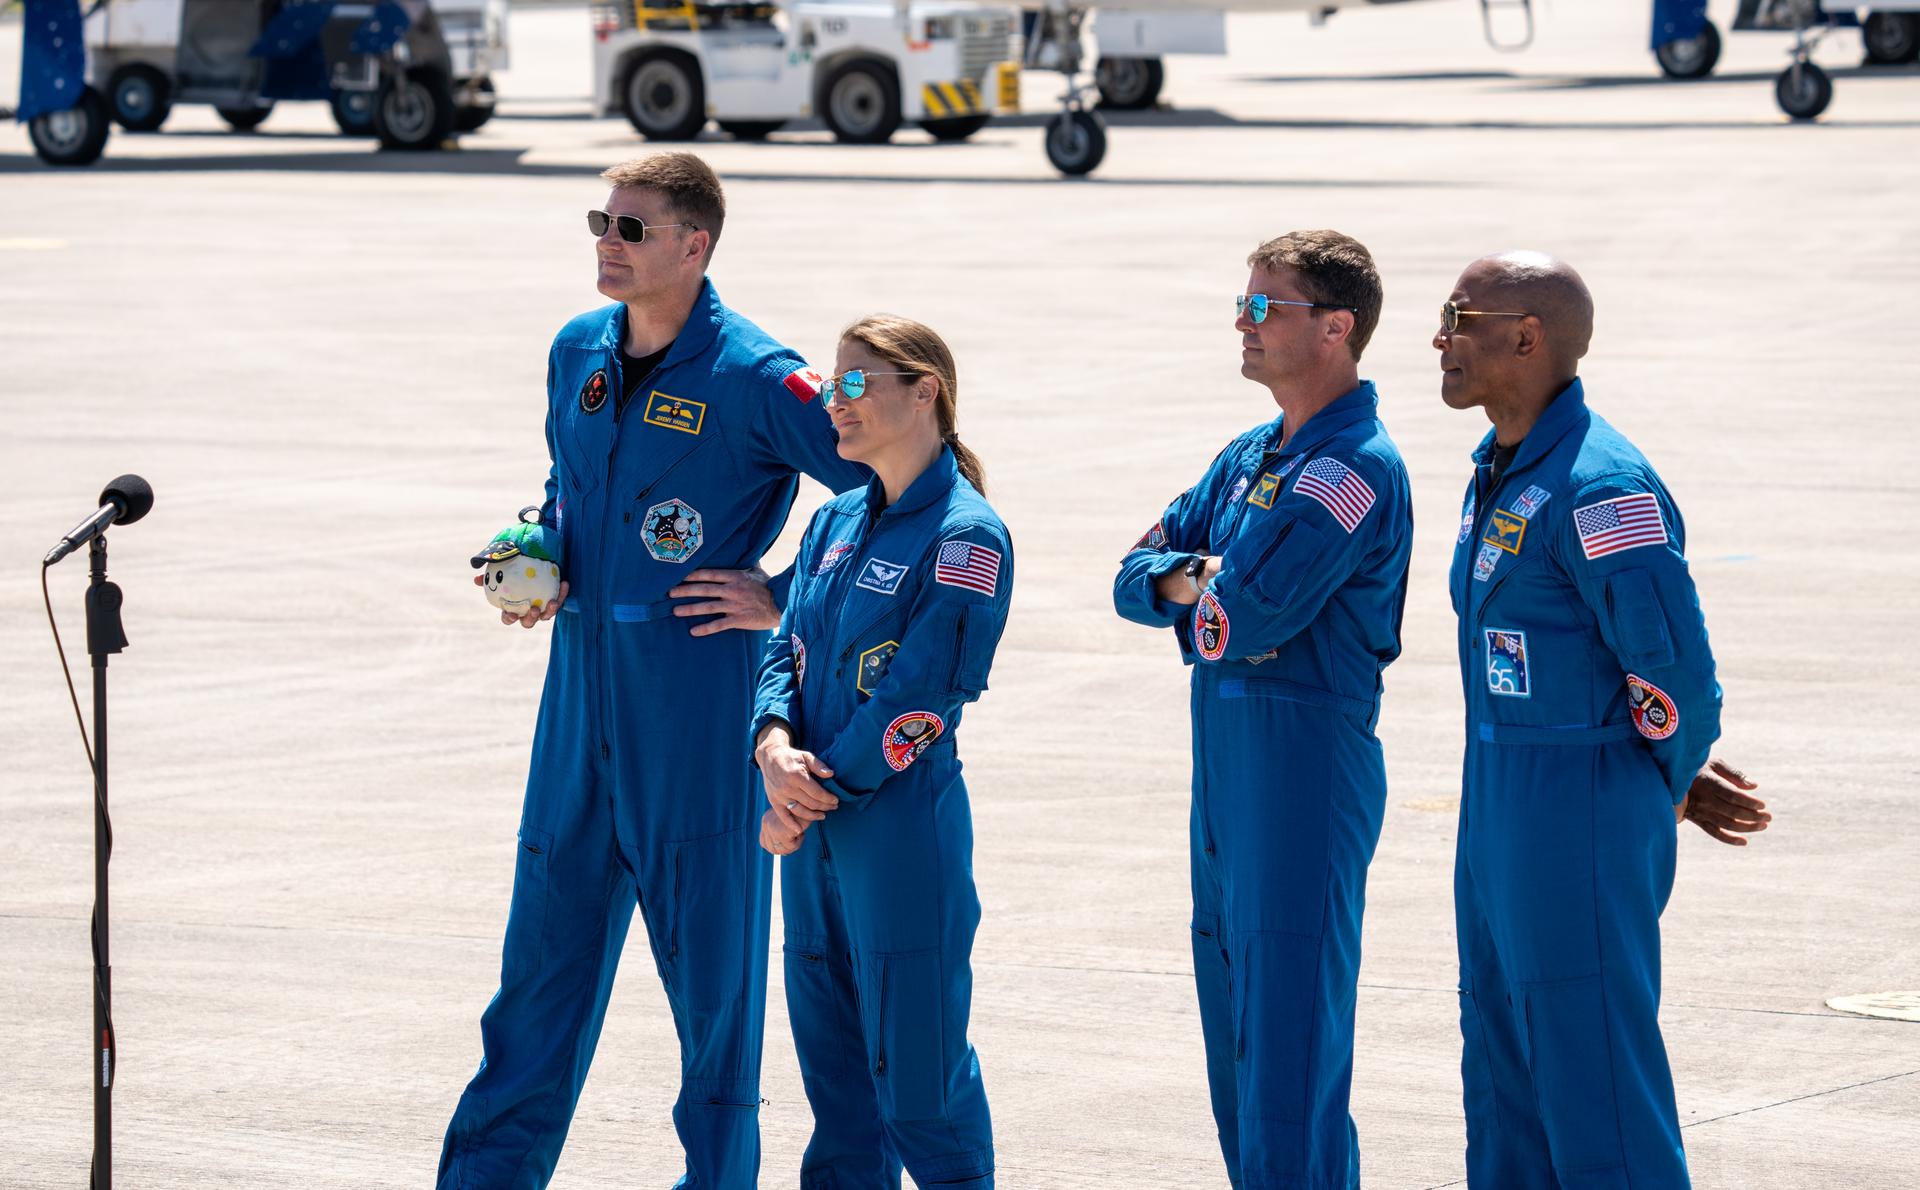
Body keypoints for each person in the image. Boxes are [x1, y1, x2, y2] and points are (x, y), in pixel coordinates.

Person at [438, 152, 872, 1190]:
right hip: (579, 693)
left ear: (695, 243)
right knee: (535, 980)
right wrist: (538, 548)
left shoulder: (764, 378)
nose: (608, 243)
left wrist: (788, 595)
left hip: (694, 700)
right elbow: (566, 481)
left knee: (713, 1002)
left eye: (632, 228)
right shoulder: (576, 349)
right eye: (602, 221)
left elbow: (891, 480)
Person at [1435, 251, 1770, 1187]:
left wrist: (1644, 777)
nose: (1440, 338)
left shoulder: (1600, 489)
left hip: (1572, 818)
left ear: (1527, 337)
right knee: (1504, 1076)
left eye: (1460, 316)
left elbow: (1675, 677)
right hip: (1501, 805)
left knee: (1594, 1085)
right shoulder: (1502, 466)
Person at [1112, 231, 1413, 1188]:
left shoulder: (1349, 468)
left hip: (1302, 768)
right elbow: (1132, 574)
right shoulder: (1251, 453)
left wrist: (1203, 586)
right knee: (1236, 1036)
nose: (1241, 322)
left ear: (1336, 327)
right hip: (1229, 769)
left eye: (1264, 306)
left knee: (1288, 1046)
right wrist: (1196, 580)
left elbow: (1245, 615)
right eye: (1244, 302)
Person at [751, 315, 1010, 1190]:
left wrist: (808, 793)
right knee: (838, 1100)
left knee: (921, 1098)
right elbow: (783, 650)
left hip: (897, 833)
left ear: (923, 391)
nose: (836, 401)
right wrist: (773, 748)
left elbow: (922, 700)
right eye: (833, 383)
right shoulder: (832, 523)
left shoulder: (967, 538)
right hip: (814, 829)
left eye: (856, 383)